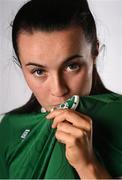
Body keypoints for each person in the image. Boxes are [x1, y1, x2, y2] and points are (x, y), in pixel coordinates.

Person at [0, 0, 122, 178]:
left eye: (72, 66)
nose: (58, 90)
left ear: (94, 52)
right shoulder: (9, 131)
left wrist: (88, 166)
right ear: (21, 67)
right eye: (39, 71)